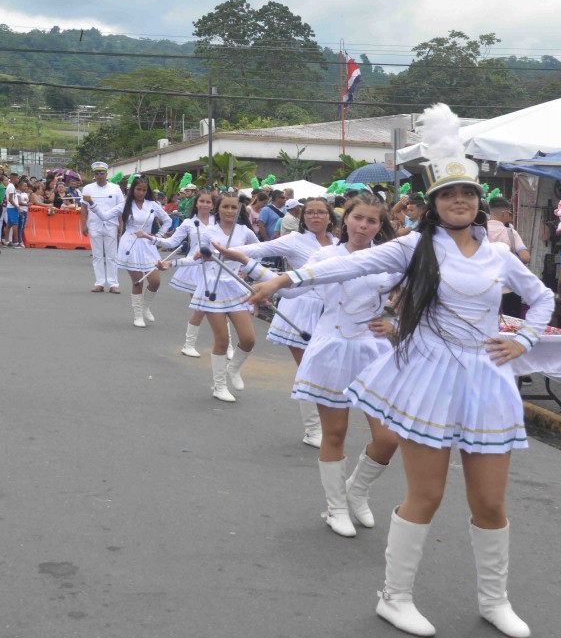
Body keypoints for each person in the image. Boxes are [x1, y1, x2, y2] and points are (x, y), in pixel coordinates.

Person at [248, 103, 555, 638]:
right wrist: (285, 279)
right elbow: (352, 263)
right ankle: (395, 597)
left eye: (467, 194)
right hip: (428, 378)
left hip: (485, 381)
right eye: (448, 194)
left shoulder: (499, 255)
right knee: (426, 495)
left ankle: (494, 600)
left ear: (478, 202)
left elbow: (543, 297)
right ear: (433, 203)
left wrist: (524, 338)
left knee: (489, 501)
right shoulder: (417, 246)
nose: (459, 200)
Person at [282, 193, 400, 535]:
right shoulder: (326, 256)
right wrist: (254, 272)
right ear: (345, 219)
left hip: (373, 352)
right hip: (331, 348)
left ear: (380, 225)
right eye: (357, 218)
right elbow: (292, 289)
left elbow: (416, 298)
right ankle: (335, 508)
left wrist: (396, 325)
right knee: (335, 433)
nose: (363, 226)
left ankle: (357, 490)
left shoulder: (389, 259)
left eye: (372, 220)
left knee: (389, 438)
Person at [219, 197, 338, 445]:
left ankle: (327, 425)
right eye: (310, 212)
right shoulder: (295, 239)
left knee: (326, 372)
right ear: (303, 217)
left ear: (330, 217)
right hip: (300, 307)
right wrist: (226, 252)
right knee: (308, 369)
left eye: (320, 212)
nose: (315, 216)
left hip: (331, 312)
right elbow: (259, 249)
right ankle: (313, 430)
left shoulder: (338, 244)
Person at [165, 191, 259, 402]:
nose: (229, 211)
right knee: (222, 340)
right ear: (218, 209)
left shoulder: (245, 232)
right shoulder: (208, 232)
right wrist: (171, 263)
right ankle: (219, 386)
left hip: (235, 287)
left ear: (239, 210)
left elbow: (258, 253)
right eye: (225, 206)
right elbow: (197, 258)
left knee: (248, 339)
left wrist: (247, 272)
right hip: (212, 288)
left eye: (234, 207)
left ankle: (233, 368)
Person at [138, 189, 218, 358]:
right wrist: (150, 237)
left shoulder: (218, 222)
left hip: (214, 267)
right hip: (193, 267)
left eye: (208, 202)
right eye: (202, 201)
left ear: (212, 205)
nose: (204, 205)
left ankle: (226, 346)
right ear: (196, 203)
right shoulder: (189, 222)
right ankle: (189, 345)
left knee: (219, 308)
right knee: (201, 307)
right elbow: (172, 242)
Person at [83, 175, 171, 327]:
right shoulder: (125, 205)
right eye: (138, 189)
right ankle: (138, 315)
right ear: (132, 190)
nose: (141, 192)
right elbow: (104, 216)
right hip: (130, 244)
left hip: (148, 244)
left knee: (155, 281)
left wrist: (158, 236)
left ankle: (145, 306)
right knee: (137, 282)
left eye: (144, 190)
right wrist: (91, 202)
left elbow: (167, 220)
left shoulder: (152, 204)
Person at [80, 162, 126, 293]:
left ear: (106, 174)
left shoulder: (115, 188)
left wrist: (121, 224)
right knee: (97, 255)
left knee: (112, 256)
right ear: (94, 175)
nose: (99, 175)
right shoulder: (87, 188)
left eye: (102, 173)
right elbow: (83, 207)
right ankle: (99, 283)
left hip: (111, 225)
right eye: (97, 173)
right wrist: (83, 224)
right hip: (94, 225)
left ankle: (113, 284)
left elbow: (120, 208)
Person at [486, 195, 531, 318]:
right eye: (510, 213)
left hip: (485, 288)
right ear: (504, 213)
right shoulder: (510, 232)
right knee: (511, 324)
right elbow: (525, 257)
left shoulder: (479, 231)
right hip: (509, 288)